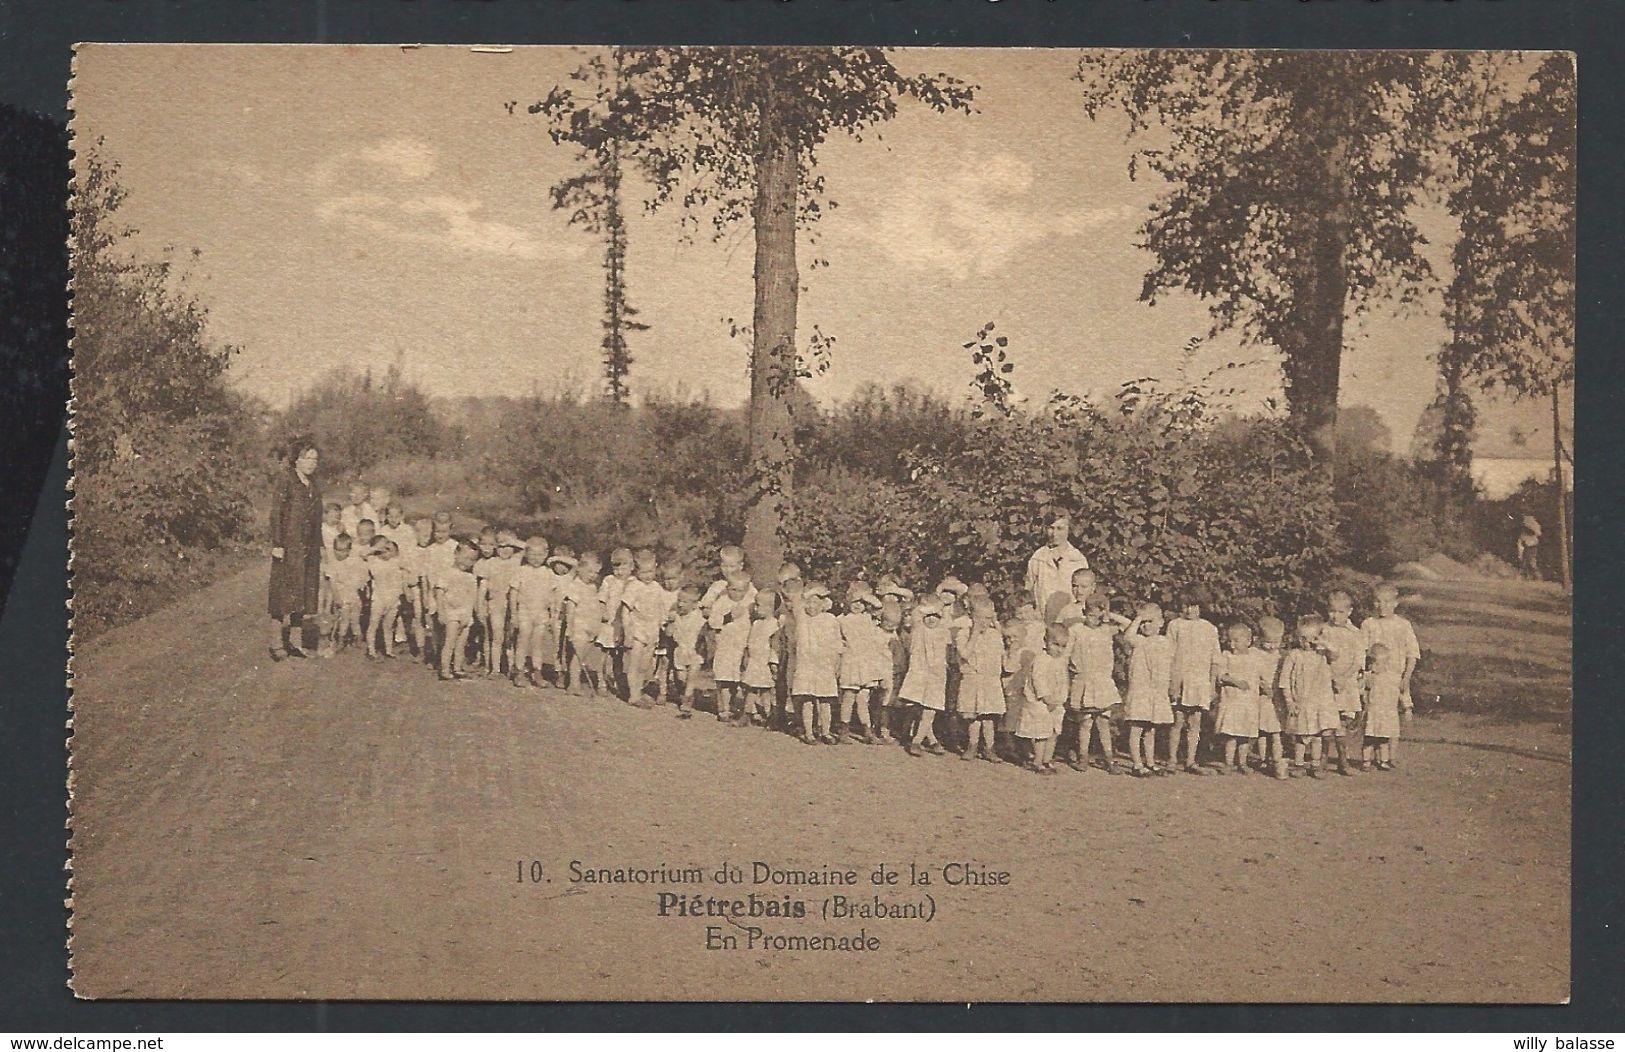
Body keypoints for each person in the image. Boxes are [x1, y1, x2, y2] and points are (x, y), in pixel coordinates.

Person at [268, 438, 323, 661]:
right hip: (289, 547)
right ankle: (276, 643)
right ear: (296, 460)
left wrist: (321, 546)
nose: (311, 463)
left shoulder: (314, 485)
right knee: (282, 595)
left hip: (309, 548)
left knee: (303, 594)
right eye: (307, 458)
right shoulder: (286, 481)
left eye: (315, 459)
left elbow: (317, 519)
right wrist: (278, 543)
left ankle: (296, 643)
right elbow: (276, 513)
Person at [1360, 582, 1421, 763]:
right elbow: (1361, 652)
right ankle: (1372, 755)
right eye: (1378, 601)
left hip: (1396, 677)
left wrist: (1406, 678)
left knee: (1392, 716)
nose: (1382, 606)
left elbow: (1412, 654)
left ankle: (1390, 757)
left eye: (1387, 602)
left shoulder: (1402, 625)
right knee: (1374, 713)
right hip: (1375, 677)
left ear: (1395, 603)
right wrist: (1365, 676)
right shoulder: (1368, 624)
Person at [1067, 592, 1125, 773]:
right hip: (1083, 679)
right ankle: (1082, 756)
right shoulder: (1076, 630)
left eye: (1097, 616)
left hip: (1101, 682)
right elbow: (1067, 653)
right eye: (1090, 615)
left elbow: (1128, 624)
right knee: (1085, 722)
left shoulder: (1106, 630)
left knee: (1103, 722)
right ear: (1085, 612)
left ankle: (1109, 758)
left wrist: (1110, 614)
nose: (1093, 619)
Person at [1281, 617, 1345, 777]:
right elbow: (1285, 680)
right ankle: (1299, 764)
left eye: (1311, 638)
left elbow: (1336, 654)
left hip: (1320, 702)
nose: (1306, 642)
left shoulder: (1322, 653)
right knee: (1302, 737)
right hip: (1301, 701)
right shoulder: (1294, 655)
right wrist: (1289, 701)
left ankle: (1315, 765)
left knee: (1317, 735)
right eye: (1302, 638)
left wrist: (1323, 642)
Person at [1167, 587, 1221, 774]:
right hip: (1181, 679)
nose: (1189, 610)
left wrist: (1212, 684)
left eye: (1194, 606)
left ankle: (1190, 760)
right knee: (1177, 721)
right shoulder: (1175, 625)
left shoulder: (1209, 628)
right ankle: (1172, 759)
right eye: (1185, 606)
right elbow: (1170, 655)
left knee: (1195, 722)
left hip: (1199, 682)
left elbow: (1215, 659)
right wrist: (1173, 682)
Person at [1123, 602, 1175, 777]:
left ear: (1161, 622)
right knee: (1136, 727)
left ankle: (1150, 762)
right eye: (1143, 622)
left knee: (1150, 729)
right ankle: (1137, 764)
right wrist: (1138, 618)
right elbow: (1128, 635)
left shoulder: (1164, 642)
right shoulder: (1139, 641)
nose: (1146, 625)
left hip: (1156, 691)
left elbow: (1165, 668)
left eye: (1150, 621)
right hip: (1140, 690)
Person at [791, 582, 844, 745]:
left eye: (817, 602)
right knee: (807, 700)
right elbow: (797, 603)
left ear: (824, 604)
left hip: (824, 666)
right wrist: (811, 592)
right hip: (806, 665)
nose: (812, 606)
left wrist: (837, 663)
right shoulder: (802, 618)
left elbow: (837, 644)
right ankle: (808, 732)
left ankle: (825, 731)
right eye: (810, 602)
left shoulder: (830, 619)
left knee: (825, 701)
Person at [956, 597, 1006, 761]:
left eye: (989, 618)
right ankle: (972, 744)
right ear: (972, 616)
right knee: (974, 717)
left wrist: (997, 626)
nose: (985, 622)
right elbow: (965, 654)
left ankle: (989, 747)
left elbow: (1001, 655)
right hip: (973, 680)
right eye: (981, 618)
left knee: (989, 717)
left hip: (990, 681)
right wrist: (975, 633)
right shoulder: (964, 633)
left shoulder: (994, 635)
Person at [1016, 624, 1070, 775]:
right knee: (1041, 733)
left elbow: (1063, 680)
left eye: (1063, 646)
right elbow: (1037, 679)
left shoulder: (1061, 661)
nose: (1059, 649)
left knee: (1054, 731)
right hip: (1040, 701)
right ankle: (1037, 761)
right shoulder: (1041, 659)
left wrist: (1062, 697)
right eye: (1055, 645)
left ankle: (1047, 759)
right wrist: (1046, 697)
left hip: (1055, 701)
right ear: (1046, 641)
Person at [900, 596, 951, 756]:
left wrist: (939, 608)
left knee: (930, 710)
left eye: (936, 616)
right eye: (928, 615)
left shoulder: (944, 631)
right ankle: (928, 740)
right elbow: (916, 613)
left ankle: (918, 741)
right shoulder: (918, 629)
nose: (931, 619)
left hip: (936, 676)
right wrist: (930, 608)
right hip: (919, 673)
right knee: (919, 708)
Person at [1322, 589, 1367, 767]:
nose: (1335, 616)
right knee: (1325, 722)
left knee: (1342, 722)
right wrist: (1330, 677)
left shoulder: (1355, 633)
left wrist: (1343, 678)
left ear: (1349, 612)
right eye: (1332, 611)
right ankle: (1322, 759)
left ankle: (1342, 759)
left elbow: (1358, 661)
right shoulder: (1324, 630)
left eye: (1340, 612)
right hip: (1326, 682)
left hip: (1346, 683)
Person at [1213, 622, 1263, 775]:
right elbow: (1221, 675)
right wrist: (1235, 681)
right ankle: (1228, 762)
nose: (1232, 644)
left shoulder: (1254, 656)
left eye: (1236, 641)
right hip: (1232, 701)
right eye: (1230, 641)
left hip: (1248, 702)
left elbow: (1260, 674)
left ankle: (1242, 762)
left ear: (1248, 642)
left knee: (1245, 735)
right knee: (1231, 734)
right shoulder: (1227, 656)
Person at [1025, 513, 1091, 625]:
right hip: (1042, 620)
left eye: (1060, 528)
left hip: (1071, 621)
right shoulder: (1038, 558)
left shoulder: (1078, 559)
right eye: (1051, 528)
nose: (1054, 534)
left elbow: (1085, 594)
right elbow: (1028, 590)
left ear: (1068, 530)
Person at [509, 537, 557, 688]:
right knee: (523, 640)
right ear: (526, 554)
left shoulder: (548, 573)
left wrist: (552, 613)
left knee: (537, 643)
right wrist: (513, 614)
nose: (536, 559)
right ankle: (519, 670)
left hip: (541, 613)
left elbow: (552, 595)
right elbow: (513, 593)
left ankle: (537, 671)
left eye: (540, 555)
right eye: (533, 555)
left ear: (546, 555)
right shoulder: (521, 571)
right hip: (524, 611)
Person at [476, 531, 524, 677]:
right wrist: (479, 606)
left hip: (512, 607)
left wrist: (512, 541)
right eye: (501, 546)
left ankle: (511, 667)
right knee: (497, 637)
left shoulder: (516, 562)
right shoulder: (490, 563)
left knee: (511, 638)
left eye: (509, 546)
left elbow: (525, 547)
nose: (505, 550)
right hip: (495, 605)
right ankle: (495, 668)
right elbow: (483, 587)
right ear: (496, 547)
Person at [435, 542, 481, 681]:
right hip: (451, 612)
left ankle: (457, 667)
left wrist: (472, 614)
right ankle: (445, 669)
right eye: (465, 557)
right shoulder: (447, 573)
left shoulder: (471, 577)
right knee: (450, 641)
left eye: (472, 560)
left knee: (461, 643)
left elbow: (473, 597)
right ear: (456, 554)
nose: (468, 562)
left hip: (465, 613)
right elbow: (439, 593)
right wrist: (441, 612)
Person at [562, 551, 605, 695]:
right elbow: (570, 608)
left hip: (591, 626)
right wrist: (570, 627)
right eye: (590, 571)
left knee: (583, 656)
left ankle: (575, 680)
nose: (593, 575)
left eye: (596, 572)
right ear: (579, 569)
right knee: (577, 655)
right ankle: (573, 684)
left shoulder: (592, 587)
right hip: (579, 626)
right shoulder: (575, 586)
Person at [738, 590, 781, 728]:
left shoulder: (774, 624)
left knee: (762, 691)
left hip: (764, 663)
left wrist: (773, 663)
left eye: (758, 605)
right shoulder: (756, 623)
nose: (755, 608)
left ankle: (762, 714)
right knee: (753, 688)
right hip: (754, 661)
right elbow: (750, 642)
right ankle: (754, 714)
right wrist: (746, 656)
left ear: (770, 608)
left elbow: (775, 645)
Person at [1254, 616, 1290, 780]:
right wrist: (1262, 685)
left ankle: (1277, 759)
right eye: (1268, 642)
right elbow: (1253, 674)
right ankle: (1262, 758)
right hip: (1263, 696)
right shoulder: (1256, 654)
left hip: (1277, 698)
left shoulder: (1282, 656)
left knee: (1275, 732)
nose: (1272, 646)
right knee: (1262, 731)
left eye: (1276, 642)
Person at [1360, 642, 1404, 771]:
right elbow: (1360, 689)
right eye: (1372, 663)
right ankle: (1366, 760)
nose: (1374, 666)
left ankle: (1384, 760)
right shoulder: (1369, 677)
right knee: (1369, 738)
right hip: (1373, 711)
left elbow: (1401, 692)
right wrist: (1364, 680)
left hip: (1386, 712)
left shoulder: (1392, 678)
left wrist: (1407, 706)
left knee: (1384, 738)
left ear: (1386, 664)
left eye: (1378, 664)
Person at [665, 586, 707, 715]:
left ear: (694, 604)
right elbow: (668, 634)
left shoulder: (699, 617)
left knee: (692, 675)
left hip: (694, 651)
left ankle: (688, 699)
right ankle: (683, 693)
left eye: (684, 602)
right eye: (679, 600)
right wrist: (671, 622)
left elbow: (706, 630)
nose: (680, 604)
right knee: (681, 677)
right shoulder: (675, 616)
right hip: (680, 651)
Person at [323, 532, 367, 654]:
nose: (339, 553)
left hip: (354, 596)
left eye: (343, 550)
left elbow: (361, 576)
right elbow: (332, 583)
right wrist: (336, 598)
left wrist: (362, 584)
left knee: (355, 619)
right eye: (337, 550)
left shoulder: (353, 562)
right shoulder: (333, 564)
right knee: (343, 619)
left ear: (349, 550)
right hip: (342, 596)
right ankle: (340, 639)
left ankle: (358, 638)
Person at [366, 538, 409, 659]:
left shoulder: (396, 562)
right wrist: (377, 549)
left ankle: (389, 650)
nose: (386, 553)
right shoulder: (374, 561)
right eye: (383, 551)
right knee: (373, 624)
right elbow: (363, 554)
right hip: (379, 599)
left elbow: (407, 568)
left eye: (389, 550)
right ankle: (371, 650)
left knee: (388, 626)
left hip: (393, 600)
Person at [1517, 514, 1542, 580]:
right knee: (1524, 562)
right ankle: (1527, 577)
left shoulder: (1535, 526)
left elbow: (1539, 533)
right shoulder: (1524, 532)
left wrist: (1532, 529)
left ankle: (1538, 577)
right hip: (1526, 547)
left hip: (1532, 547)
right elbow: (1521, 539)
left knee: (1532, 562)